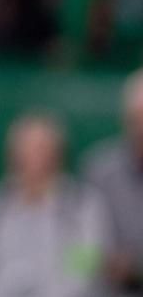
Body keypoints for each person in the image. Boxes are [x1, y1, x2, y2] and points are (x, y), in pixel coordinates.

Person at [0, 114, 111, 297]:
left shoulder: (84, 206)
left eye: (43, 149)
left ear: (58, 155)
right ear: (11, 155)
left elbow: (86, 265)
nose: (35, 158)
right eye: (27, 149)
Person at [83, 68, 143, 296]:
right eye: (135, 120)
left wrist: (135, 266)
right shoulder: (97, 170)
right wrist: (103, 260)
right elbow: (77, 253)